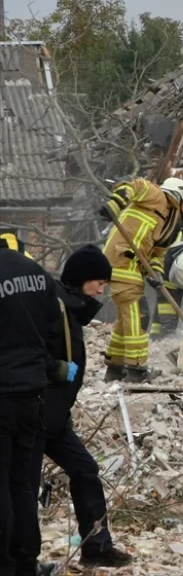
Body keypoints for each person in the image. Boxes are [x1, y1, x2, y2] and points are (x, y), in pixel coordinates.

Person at [37, 245, 134, 568]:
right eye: (97, 282)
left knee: (86, 470)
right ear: (80, 280)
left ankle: (97, 548)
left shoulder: (72, 311)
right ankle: (21, 561)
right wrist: (57, 370)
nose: (102, 289)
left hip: (54, 419)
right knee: (21, 487)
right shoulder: (55, 308)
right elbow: (30, 352)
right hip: (34, 415)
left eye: (105, 283)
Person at [0, 240, 63, 575]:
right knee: (22, 484)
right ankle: (26, 563)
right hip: (31, 395)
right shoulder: (36, 272)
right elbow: (55, 331)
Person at [100, 176, 183, 382]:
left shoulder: (165, 222)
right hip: (121, 262)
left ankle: (115, 368)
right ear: (179, 196)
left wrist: (157, 273)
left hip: (131, 268)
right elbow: (132, 185)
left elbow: (157, 254)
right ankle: (137, 369)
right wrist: (115, 204)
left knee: (126, 319)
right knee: (140, 316)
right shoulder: (156, 195)